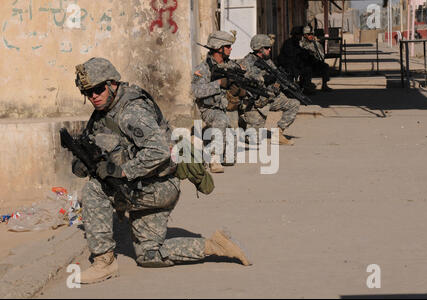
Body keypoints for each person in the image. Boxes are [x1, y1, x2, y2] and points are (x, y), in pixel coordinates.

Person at [71, 57, 251, 284]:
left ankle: (103, 262)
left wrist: (122, 171)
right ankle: (215, 245)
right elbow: (92, 145)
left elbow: (159, 152)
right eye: (88, 93)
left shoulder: (131, 112)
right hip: (148, 184)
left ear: (112, 84)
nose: (93, 96)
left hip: (159, 186)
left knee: (94, 190)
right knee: (150, 254)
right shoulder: (104, 111)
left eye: (97, 90)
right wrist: (81, 163)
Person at [191, 31, 246, 173]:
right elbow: (196, 91)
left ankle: (204, 151)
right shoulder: (202, 69)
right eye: (228, 46)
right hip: (209, 109)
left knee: (230, 158)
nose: (230, 49)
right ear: (219, 47)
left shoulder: (230, 66)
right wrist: (219, 83)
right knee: (220, 120)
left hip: (224, 108)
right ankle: (213, 159)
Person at [238, 34, 300, 146]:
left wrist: (280, 83)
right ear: (259, 48)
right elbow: (244, 79)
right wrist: (263, 78)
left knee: (294, 104)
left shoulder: (267, 61)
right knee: (254, 140)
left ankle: (278, 134)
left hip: (270, 98)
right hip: (255, 103)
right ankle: (242, 121)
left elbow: (276, 75)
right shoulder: (247, 62)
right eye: (267, 48)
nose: (270, 49)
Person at [277, 26, 316, 93]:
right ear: (295, 35)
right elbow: (290, 56)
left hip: (296, 65)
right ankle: (290, 89)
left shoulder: (299, 43)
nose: (301, 36)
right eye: (299, 35)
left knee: (307, 69)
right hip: (287, 65)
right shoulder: (288, 43)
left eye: (301, 35)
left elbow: (303, 54)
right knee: (292, 71)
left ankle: (305, 87)